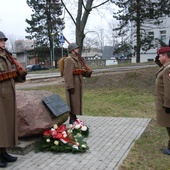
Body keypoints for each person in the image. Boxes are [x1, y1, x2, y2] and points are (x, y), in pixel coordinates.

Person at [0, 31, 26, 167]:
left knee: (6, 125)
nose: (4, 42)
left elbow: (13, 75)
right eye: (1, 40)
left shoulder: (7, 56)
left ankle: (3, 152)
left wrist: (20, 73)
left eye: (4, 40)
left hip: (9, 95)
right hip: (0, 96)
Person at [63, 43, 89, 124]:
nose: (78, 49)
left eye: (78, 48)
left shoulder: (78, 59)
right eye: (76, 48)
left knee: (76, 101)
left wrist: (88, 72)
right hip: (73, 83)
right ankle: (72, 119)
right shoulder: (69, 59)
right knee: (72, 101)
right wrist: (70, 86)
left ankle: (74, 118)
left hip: (78, 82)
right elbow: (67, 74)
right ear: (72, 50)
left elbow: (81, 71)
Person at [156, 46, 170, 155]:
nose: (158, 58)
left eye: (160, 56)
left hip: (167, 104)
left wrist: (168, 105)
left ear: (165, 56)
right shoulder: (165, 66)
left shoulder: (168, 68)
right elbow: (158, 63)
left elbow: (169, 88)